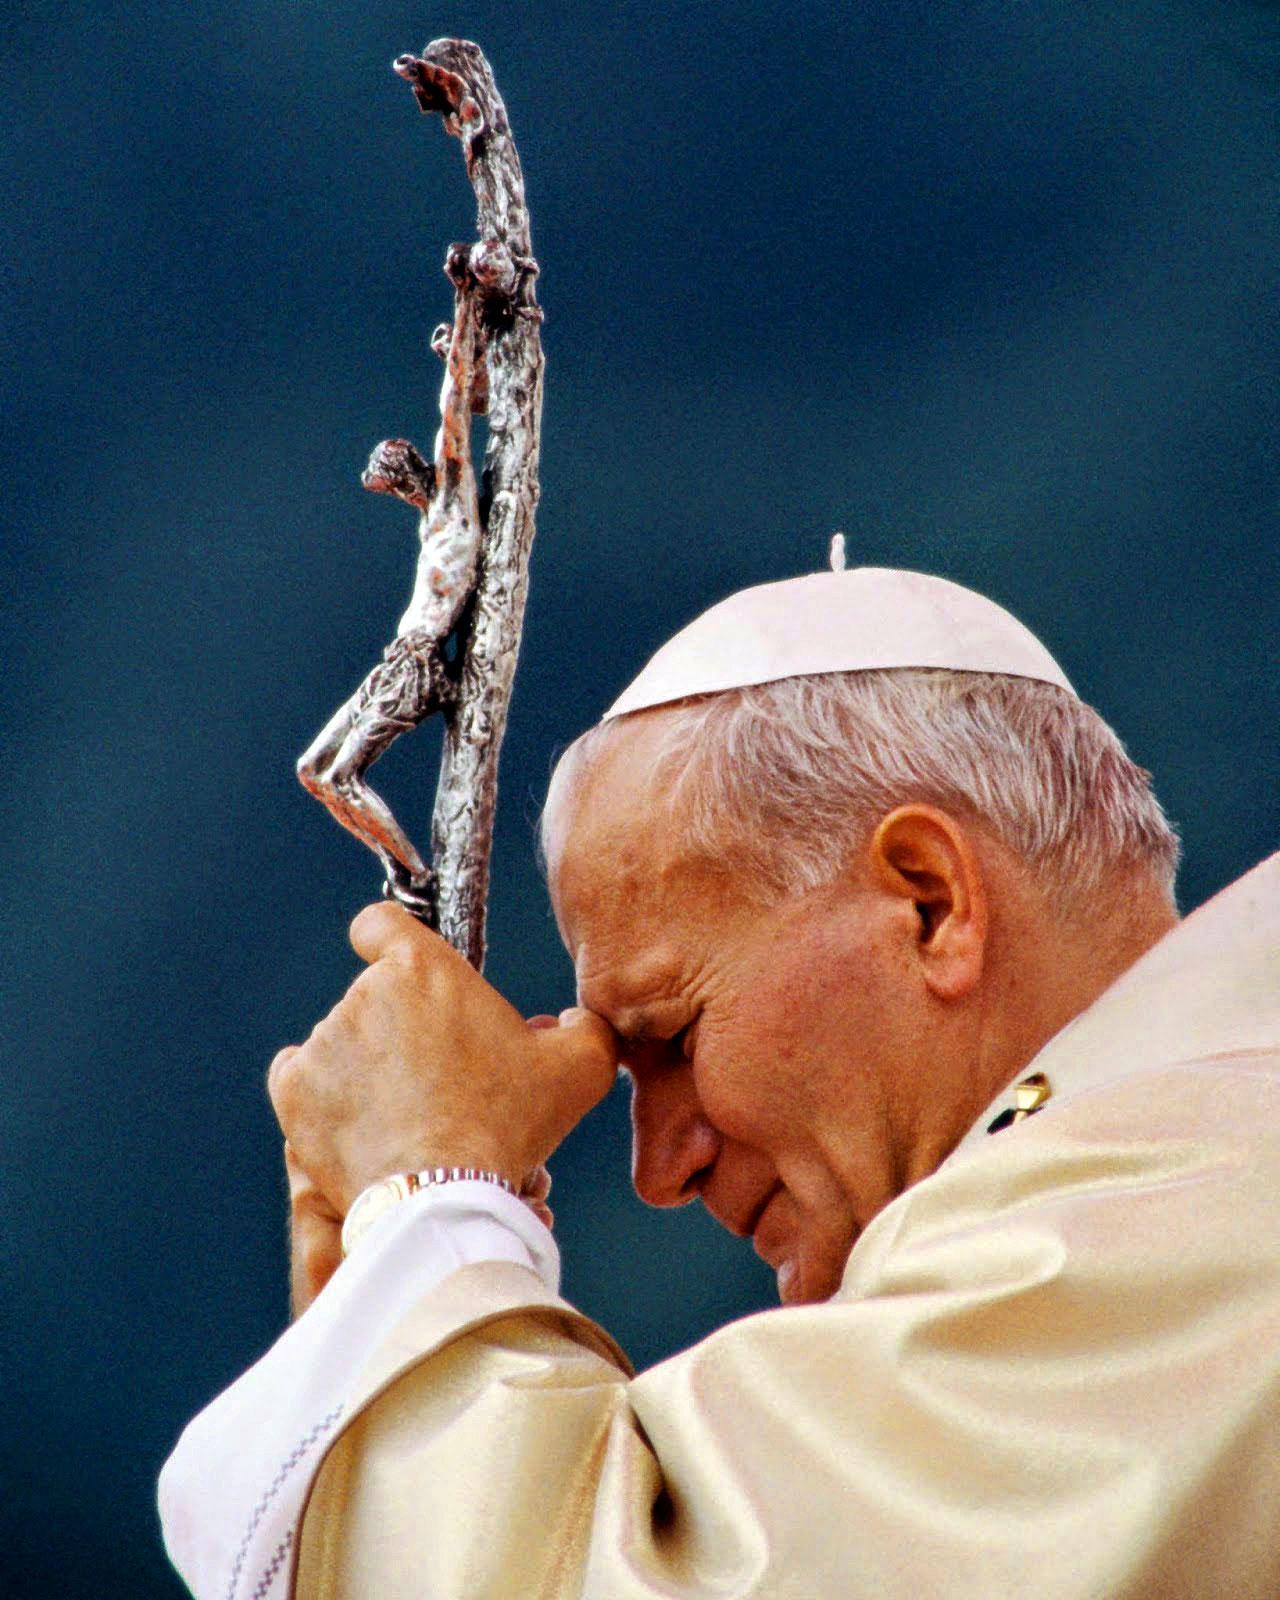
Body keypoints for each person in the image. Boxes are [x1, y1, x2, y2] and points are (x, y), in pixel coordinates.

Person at [160, 566, 1280, 1599]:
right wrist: (365, 1328)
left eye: (674, 1036)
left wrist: (427, 1214)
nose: (658, 1169)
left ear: (927, 902)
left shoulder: (1200, 1207)